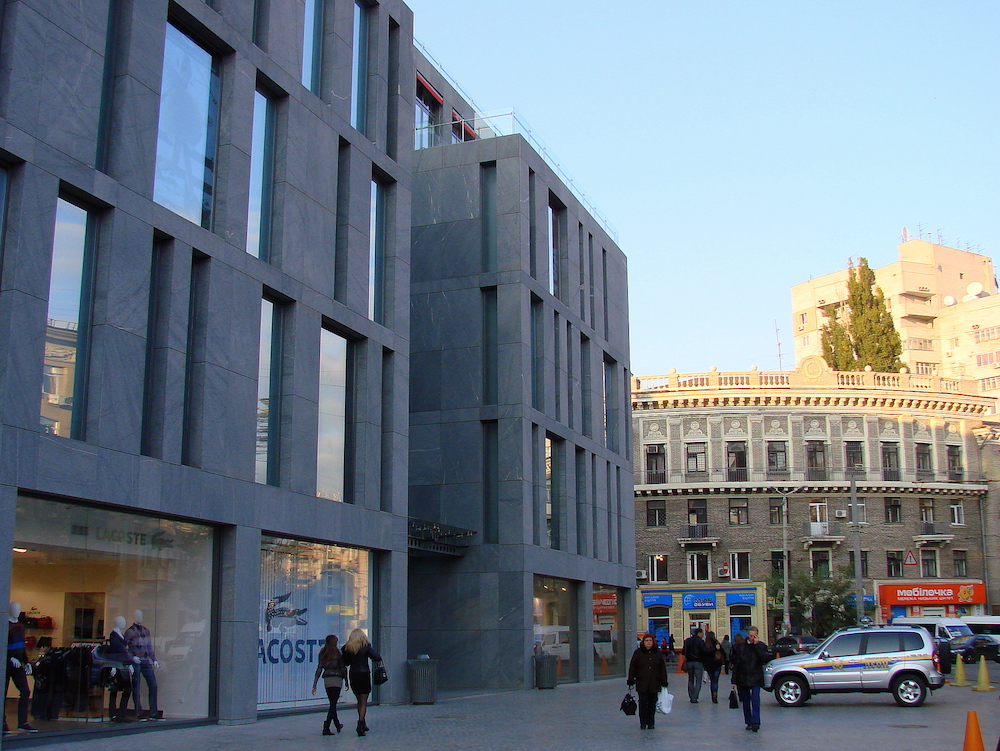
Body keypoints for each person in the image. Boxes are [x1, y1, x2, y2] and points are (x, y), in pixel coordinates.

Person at [729, 625, 773, 732]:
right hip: (743, 677)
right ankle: (748, 721)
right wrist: (733, 681)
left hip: (756, 677)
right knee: (746, 701)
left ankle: (756, 722)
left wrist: (756, 646)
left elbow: (764, 658)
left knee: (755, 700)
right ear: (748, 635)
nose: (753, 638)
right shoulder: (740, 647)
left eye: (755, 636)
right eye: (751, 636)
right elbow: (736, 664)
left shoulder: (761, 646)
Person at [342, 628, 381, 736]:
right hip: (364, 674)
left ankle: (363, 722)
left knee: (359, 700)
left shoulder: (346, 648)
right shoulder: (366, 647)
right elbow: (377, 657)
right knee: (364, 701)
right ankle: (360, 723)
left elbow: (345, 663)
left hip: (353, 674)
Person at [5, 602, 36, 734]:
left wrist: (26, 662)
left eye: (18, 609)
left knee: (25, 691)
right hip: (8, 664)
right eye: (14, 608)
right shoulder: (5, 625)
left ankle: (22, 722)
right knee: (3, 693)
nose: (16, 611)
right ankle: (2, 723)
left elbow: (21, 646)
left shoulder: (20, 626)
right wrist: (9, 658)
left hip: (19, 663)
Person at [627, 634, 668, 730]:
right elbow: (633, 666)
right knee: (643, 702)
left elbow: (662, 668)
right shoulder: (638, 653)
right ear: (643, 642)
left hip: (654, 682)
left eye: (650, 640)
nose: (648, 642)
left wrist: (664, 681)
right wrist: (631, 679)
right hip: (642, 682)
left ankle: (651, 723)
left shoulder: (657, 653)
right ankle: (643, 722)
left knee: (652, 703)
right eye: (646, 640)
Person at [124, 609, 160, 720]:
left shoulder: (146, 631)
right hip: (136, 661)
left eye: (141, 615)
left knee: (153, 685)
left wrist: (154, 659)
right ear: (134, 616)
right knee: (136, 687)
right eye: (137, 615)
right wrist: (130, 660)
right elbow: (124, 648)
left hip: (145, 661)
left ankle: (153, 712)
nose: (139, 617)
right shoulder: (129, 632)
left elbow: (149, 646)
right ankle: (138, 713)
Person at [311, 635, 346, 735]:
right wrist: (347, 680)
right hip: (337, 679)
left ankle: (337, 724)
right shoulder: (338, 653)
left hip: (327, 680)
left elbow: (319, 668)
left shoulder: (323, 653)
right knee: (333, 704)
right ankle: (326, 726)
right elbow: (342, 667)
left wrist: (315, 684)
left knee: (332, 703)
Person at [682, 628, 708, 702]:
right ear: (699, 633)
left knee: (690, 679)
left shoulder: (687, 641)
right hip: (698, 662)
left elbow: (684, 652)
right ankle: (695, 697)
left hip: (689, 662)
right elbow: (704, 651)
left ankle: (691, 696)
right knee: (698, 680)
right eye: (702, 633)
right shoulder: (700, 641)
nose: (703, 635)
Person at [704, 631, 724, 703]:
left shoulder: (706, 644)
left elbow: (704, 654)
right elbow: (723, 652)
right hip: (717, 664)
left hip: (709, 665)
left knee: (712, 680)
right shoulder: (717, 644)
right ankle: (715, 695)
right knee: (715, 681)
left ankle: (713, 694)